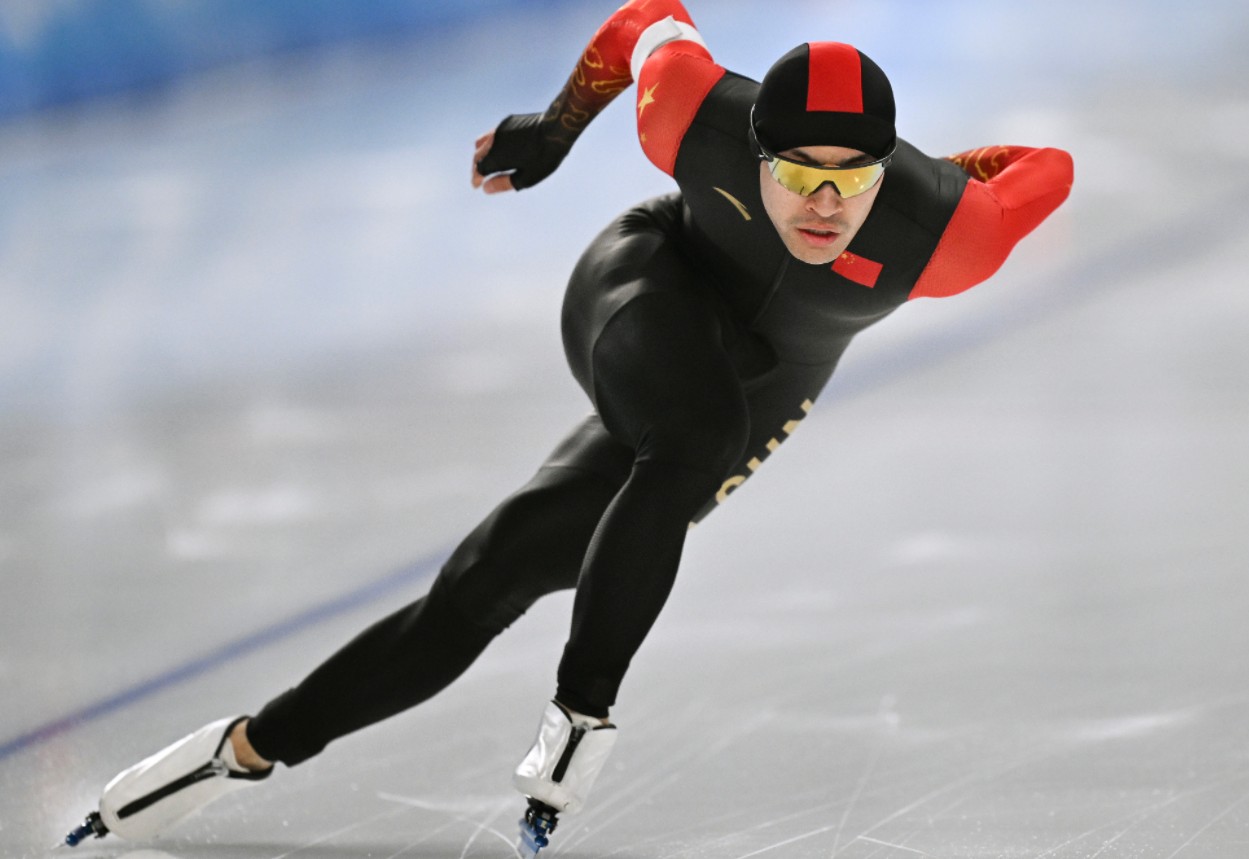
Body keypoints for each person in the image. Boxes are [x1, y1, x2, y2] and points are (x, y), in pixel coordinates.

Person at [65, 0, 1073, 852]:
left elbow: (1050, 165)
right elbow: (648, 20)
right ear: (750, 149)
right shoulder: (694, 115)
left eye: (850, 176)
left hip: (768, 380)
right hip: (649, 286)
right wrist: (554, 131)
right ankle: (583, 712)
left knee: (494, 573)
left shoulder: (951, 234)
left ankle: (244, 747)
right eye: (795, 170)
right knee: (693, 439)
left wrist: (937, 172)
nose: (821, 203)